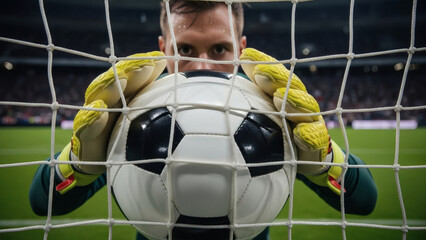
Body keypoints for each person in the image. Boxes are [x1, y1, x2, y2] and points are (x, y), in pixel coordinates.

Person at [29, 1, 377, 239]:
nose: (202, 66)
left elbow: (365, 200)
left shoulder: (267, 110)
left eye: (220, 50)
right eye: (185, 50)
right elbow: (41, 202)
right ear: (163, 49)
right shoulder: (137, 112)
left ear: (242, 49)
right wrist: (79, 162)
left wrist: (325, 161)